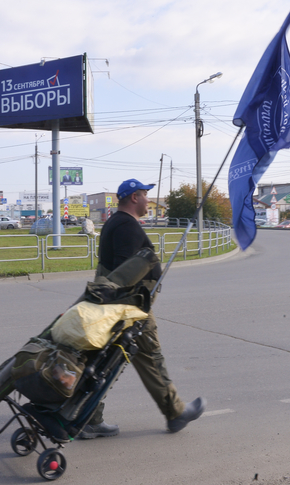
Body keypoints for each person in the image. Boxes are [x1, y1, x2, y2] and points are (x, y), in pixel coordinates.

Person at [79, 178, 206, 439]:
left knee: (106, 362)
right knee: (148, 359)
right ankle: (175, 412)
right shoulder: (126, 226)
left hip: (123, 308)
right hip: (131, 309)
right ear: (134, 197)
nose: (149, 200)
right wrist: (135, 311)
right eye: (146, 195)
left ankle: (90, 417)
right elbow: (125, 274)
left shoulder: (117, 222)